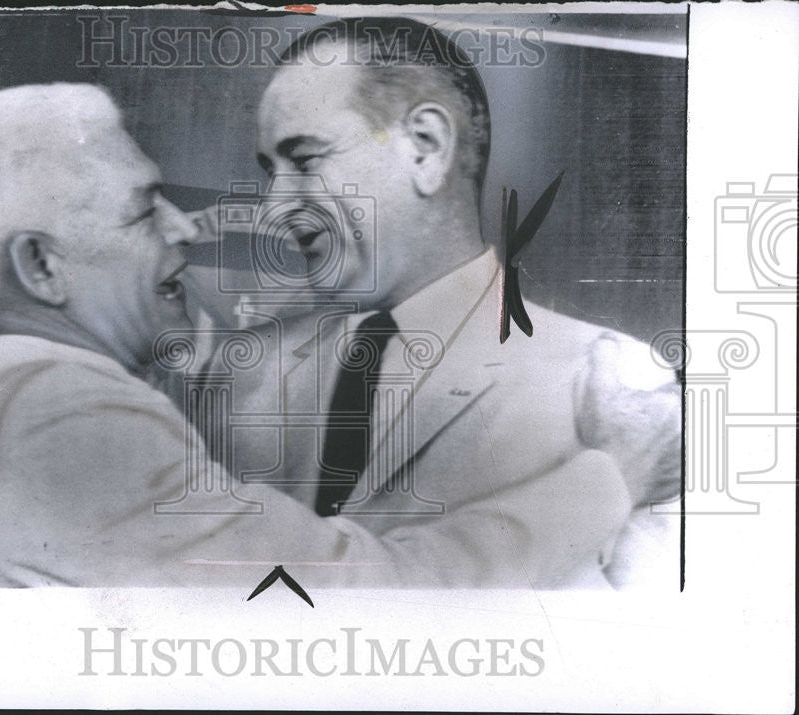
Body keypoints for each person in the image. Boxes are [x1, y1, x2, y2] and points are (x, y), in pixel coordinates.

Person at [0, 82, 635, 588]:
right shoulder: (59, 414)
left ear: (427, 149)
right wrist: (599, 486)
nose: (186, 226)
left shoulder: (601, 366)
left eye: (308, 159)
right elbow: (345, 602)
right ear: (41, 265)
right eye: (143, 209)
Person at [188, 18, 680, 589]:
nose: (275, 207)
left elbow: (640, 643)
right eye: (271, 171)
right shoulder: (240, 380)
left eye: (304, 160)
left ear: (426, 148)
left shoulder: (609, 381)